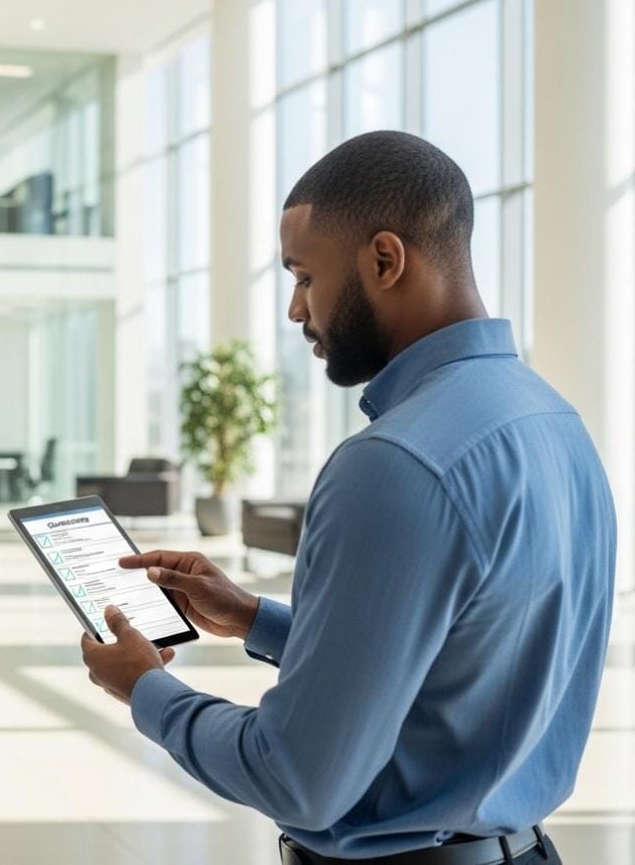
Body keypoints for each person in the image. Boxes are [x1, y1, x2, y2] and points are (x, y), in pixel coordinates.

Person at [81, 131, 615, 864]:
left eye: (304, 277)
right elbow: (465, 663)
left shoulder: (394, 462)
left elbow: (298, 777)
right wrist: (253, 619)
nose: (297, 310)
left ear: (385, 260)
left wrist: (145, 690)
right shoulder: (554, 421)